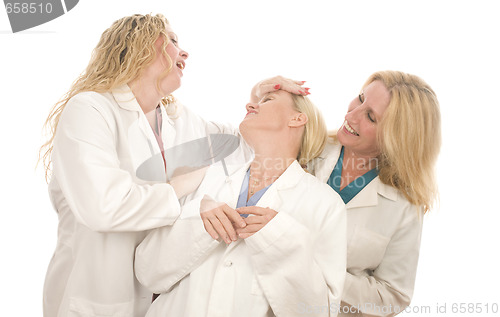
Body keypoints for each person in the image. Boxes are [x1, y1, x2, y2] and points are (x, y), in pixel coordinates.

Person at [39, 13, 272, 317]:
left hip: (163, 302)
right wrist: (184, 193)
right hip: (96, 300)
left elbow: (245, 143)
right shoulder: (90, 109)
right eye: (173, 41)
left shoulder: (180, 119)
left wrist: (266, 96)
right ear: (139, 46)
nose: (184, 52)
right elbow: (104, 207)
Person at [135, 90, 347, 316]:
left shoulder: (326, 205)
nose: (250, 105)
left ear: (297, 118)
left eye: (267, 100)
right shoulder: (205, 176)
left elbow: (316, 312)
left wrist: (280, 239)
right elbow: (147, 273)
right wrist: (198, 220)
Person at [305, 71, 442, 316]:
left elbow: (393, 296)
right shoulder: (309, 145)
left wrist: (321, 270)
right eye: (360, 99)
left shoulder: (405, 206)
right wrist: (263, 92)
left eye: (370, 117)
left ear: (397, 138)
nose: (351, 115)